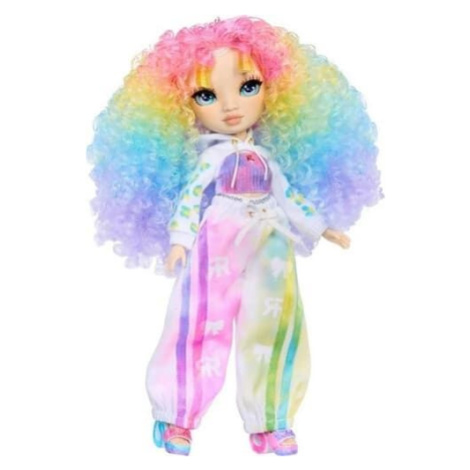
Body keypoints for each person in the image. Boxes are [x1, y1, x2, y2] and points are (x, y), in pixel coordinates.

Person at [87, 16, 382, 456]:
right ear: (180, 106)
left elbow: (289, 196)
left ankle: (272, 420)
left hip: (271, 240)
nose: (230, 107)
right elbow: (191, 198)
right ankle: (176, 414)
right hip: (219, 238)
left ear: (276, 91)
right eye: (205, 95)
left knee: (276, 322)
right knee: (201, 318)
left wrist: (323, 228)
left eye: (248, 86)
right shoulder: (211, 158)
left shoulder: (267, 159)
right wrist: (180, 240)